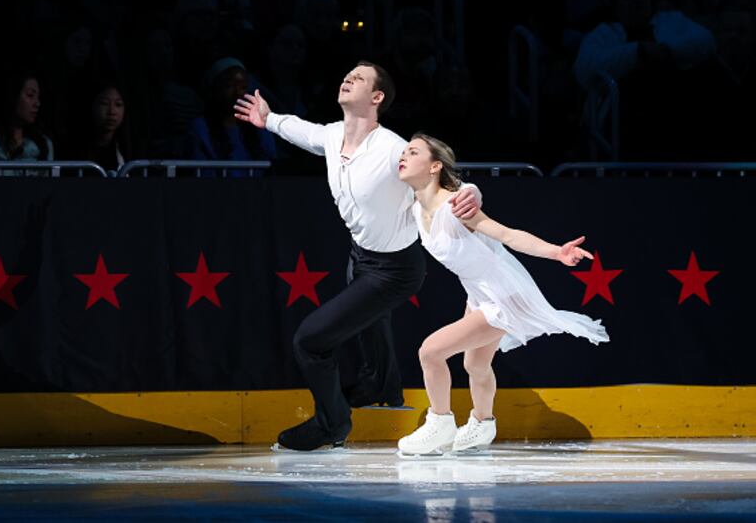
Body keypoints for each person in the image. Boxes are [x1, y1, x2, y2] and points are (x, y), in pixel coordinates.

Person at [234, 61, 482, 451]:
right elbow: (308, 134)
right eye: (347, 73)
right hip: (361, 257)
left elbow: (444, 179)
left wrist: (472, 194)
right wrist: (269, 120)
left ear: (377, 97)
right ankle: (380, 385)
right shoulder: (334, 136)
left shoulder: (394, 150)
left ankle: (332, 424)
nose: (348, 78)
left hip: (395, 271)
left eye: (360, 78)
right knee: (368, 324)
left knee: (311, 341)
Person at [396, 133, 608, 456]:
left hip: (504, 295)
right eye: (403, 152)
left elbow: (507, 234)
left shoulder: (456, 204)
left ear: (435, 165)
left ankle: (440, 422)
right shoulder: (414, 211)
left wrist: (556, 252)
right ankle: (483, 423)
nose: (404, 156)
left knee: (430, 352)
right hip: (479, 293)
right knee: (476, 365)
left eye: (413, 152)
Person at [184, 57, 276, 176]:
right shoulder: (200, 128)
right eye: (228, 86)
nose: (237, 93)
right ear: (213, 90)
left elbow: (271, 168)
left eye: (243, 87)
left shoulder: (260, 127)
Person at [63, 80, 130, 174]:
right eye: (104, 103)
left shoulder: (129, 148)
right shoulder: (73, 149)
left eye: (118, 104)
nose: (112, 112)